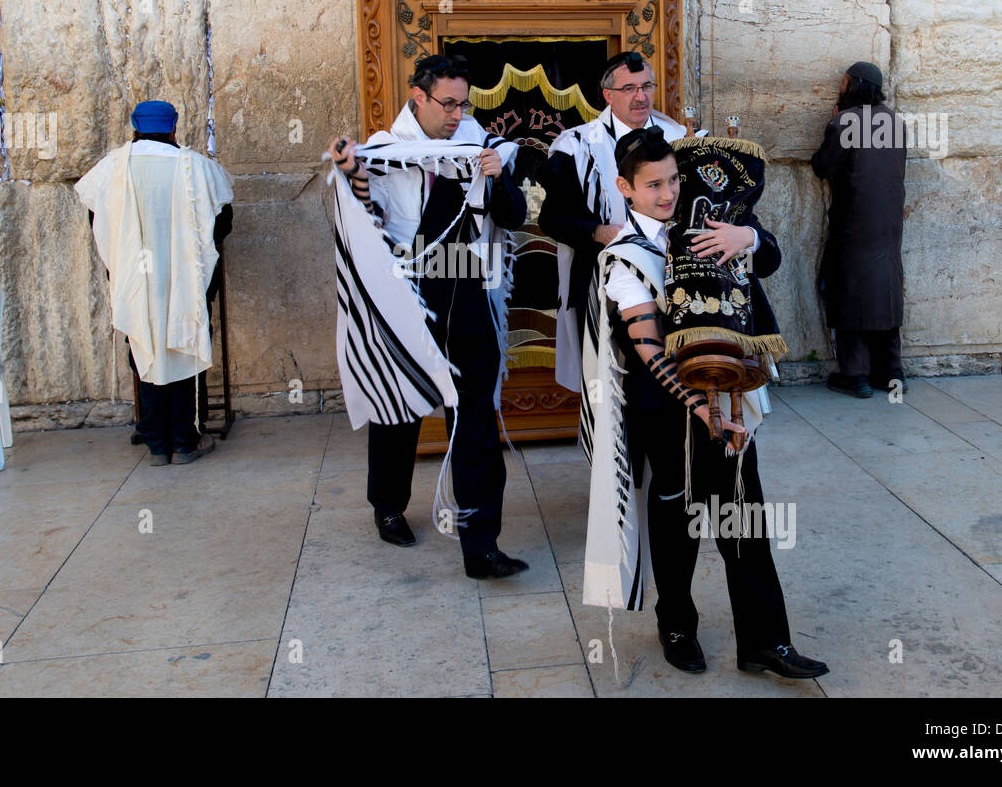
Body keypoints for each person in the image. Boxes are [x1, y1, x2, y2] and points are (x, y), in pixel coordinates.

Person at [583, 126, 828, 679]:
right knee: (677, 519)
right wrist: (701, 404)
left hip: (730, 394)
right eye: (653, 186)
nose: (668, 194)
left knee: (743, 513)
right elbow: (647, 348)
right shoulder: (624, 257)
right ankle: (677, 627)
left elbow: (768, 259)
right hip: (669, 406)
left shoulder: (707, 219)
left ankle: (766, 642)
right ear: (626, 187)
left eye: (673, 179)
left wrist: (749, 238)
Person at [329, 54, 530, 580]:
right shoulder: (384, 151)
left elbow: (514, 216)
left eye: (464, 103)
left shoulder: (479, 144)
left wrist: (499, 175)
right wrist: (349, 171)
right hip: (408, 292)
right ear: (418, 96)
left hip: (468, 289)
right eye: (448, 103)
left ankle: (481, 544)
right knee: (400, 406)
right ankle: (388, 504)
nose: (457, 113)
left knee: (477, 418)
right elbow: (362, 220)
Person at [75, 100, 234, 465]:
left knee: (143, 346)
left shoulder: (113, 167)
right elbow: (223, 222)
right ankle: (184, 439)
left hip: (136, 279)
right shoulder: (197, 167)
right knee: (184, 344)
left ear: (134, 126)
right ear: (173, 127)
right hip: (185, 280)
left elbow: (95, 219)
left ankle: (156, 440)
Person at [535, 51, 689, 391]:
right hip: (600, 283)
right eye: (629, 88)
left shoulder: (677, 137)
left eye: (647, 86)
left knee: (667, 378)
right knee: (607, 386)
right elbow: (552, 219)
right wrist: (597, 231)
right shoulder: (576, 145)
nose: (641, 97)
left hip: (670, 279)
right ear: (608, 95)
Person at [811, 61, 908, 399]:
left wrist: (832, 123)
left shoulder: (846, 122)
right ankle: (891, 371)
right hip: (889, 223)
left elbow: (823, 166)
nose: (840, 85)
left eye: (844, 81)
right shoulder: (895, 122)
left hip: (854, 223)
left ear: (855, 86)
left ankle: (856, 375)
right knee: (885, 290)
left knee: (849, 291)